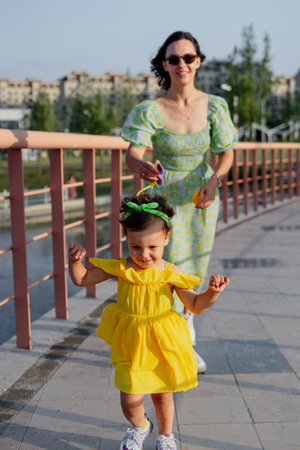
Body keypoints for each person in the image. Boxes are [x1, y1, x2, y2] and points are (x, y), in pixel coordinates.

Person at [68, 193, 229, 450]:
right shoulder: (122, 268)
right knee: (129, 400)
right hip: (132, 344)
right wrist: (74, 262)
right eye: (136, 247)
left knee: (163, 396)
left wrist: (212, 293)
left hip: (162, 344)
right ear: (127, 241)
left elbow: (196, 306)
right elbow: (82, 279)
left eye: (152, 247)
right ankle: (140, 425)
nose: (144, 255)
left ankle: (165, 436)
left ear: (166, 237)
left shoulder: (171, 273)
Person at [122, 31, 238, 373]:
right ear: (165, 65)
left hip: (202, 199)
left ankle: (185, 338)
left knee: (194, 271)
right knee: (164, 269)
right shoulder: (150, 110)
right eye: (174, 59)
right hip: (164, 202)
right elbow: (133, 152)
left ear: (198, 62)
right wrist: (138, 164)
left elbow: (226, 153)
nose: (182, 64)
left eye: (188, 58)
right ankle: (179, 344)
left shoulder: (215, 105)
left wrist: (215, 180)